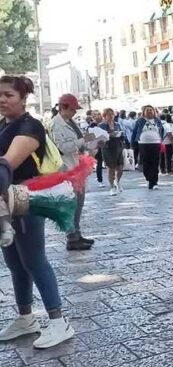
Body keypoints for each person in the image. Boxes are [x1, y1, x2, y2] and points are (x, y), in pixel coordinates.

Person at [0, 76, 76, 349]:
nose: (2, 100)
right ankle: (26, 317)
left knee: (33, 259)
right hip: (4, 205)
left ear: (23, 97)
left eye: (8, 95)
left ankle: (58, 321)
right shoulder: (3, 125)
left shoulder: (29, 127)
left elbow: (7, 164)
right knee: (14, 262)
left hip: (25, 201)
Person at [50, 94, 94, 251]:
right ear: (63, 108)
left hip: (76, 167)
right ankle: (72, 238)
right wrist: (83, 141)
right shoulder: (56, 124)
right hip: (66, 169)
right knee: (71, 204)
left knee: (78, 204)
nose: (75, 112)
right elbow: (63, 147)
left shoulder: (70, 122)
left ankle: (77, 233)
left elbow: (76, 145)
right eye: (73, 109)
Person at [132, 106, 165, 190]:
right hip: (143, 143)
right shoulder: (140, 121)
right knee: (145, 162)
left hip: (155, 143)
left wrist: (161, 139)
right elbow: (135, 132)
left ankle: (154, 182)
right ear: (144, 112)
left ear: (154, 112)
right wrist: (133, 143)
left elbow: (162, 130)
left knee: (155, 162)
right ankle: (148, 178)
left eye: (151, 110)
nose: (149, 112)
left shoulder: (157, 120)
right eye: (147, 110)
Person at [98, 109, 125, 196]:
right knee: (110, 168)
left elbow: (122, 133)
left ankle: (117, 181)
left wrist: (121, 134)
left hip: (118, 146)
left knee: (120, 167)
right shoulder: (101, 125)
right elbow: (100, 137)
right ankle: (112, 187)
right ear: (104, 116)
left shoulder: (117, 124)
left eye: (112, 114)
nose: (111, 116)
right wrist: (110, 134)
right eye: (109, 115)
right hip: (107, 148)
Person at [88, 110, 104, 188]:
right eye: (95, 115)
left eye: (99, 114)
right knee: (99, 163)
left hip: (105, 146)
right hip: (96, 146)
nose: (98, 116)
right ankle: (100, 180)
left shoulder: (104, 124)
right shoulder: (92, 125)